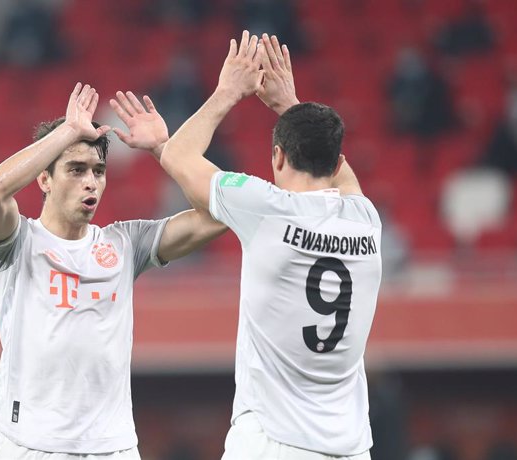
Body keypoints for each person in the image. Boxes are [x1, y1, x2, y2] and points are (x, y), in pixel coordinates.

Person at [157, 31, 382, 459]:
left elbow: (176, 155)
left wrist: (228, 92)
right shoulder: (366, 221)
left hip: (271, 442)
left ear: (277, 157)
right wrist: (288, 103)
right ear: (336, 163)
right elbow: (345, 179)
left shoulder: (264, 208)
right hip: (350, 447)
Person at [0, 82, 226, 459]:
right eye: (75, 170)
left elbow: (217, 216)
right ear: (44, 179)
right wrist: (69, 132)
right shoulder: (17, 241)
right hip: (30, 444)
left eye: (98, 170)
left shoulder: (125, 244)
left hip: (113, 448)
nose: (90, 182)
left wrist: (164, 149)